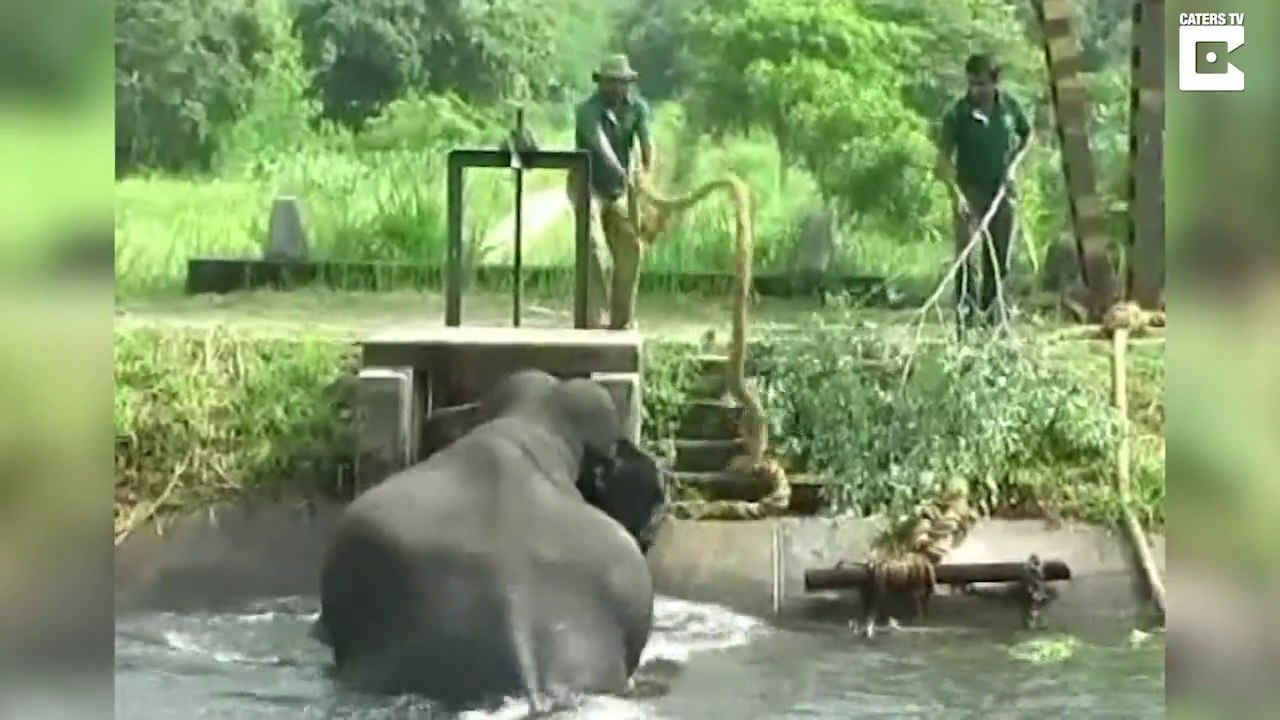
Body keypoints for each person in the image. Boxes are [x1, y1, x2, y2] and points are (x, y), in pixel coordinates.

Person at [934, 53, 1033, 324]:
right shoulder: (958, 113)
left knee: (998, 259)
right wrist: (956, 195)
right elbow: (942, 160)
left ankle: (994, 321)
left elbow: (1027, 135)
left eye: (981, 84)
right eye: (971, 84)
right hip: (969, 191)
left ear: (995, 83)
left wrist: (1014, 167)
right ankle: (966, 323)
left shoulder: (1010, 107)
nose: (975, 90)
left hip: (1002, 191)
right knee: (967, 260)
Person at [567, 54, 654, 330]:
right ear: (601, 83)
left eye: (621, 82)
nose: (617, 88)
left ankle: (621, 321)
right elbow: (598, 143)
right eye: (611, 82)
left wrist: (648, 173)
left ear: (629, 83)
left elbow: (646, 142)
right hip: (587, 185)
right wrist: (621, 171)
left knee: (631, 245)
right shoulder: (587, 110)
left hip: (619, 191)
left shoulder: (638, 108)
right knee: (592, 247)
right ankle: (593, 320)